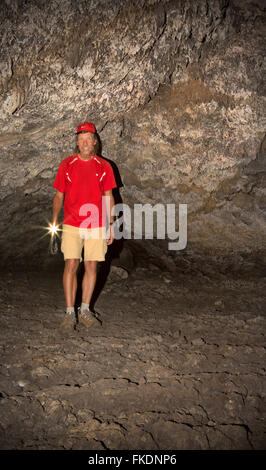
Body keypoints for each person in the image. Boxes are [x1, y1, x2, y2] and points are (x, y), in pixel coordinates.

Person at [51, 122, 117, 330]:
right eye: (81, 139)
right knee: (71, 264)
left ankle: (86, 310)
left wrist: (111, 224)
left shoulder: (104, 166)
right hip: (71, 223)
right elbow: (59, 195)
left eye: (89, 138)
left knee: (91, 265)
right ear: (77, 143)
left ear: (95, 141)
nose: (85, 142)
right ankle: (70, 313)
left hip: (96, 223)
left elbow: (109, 196)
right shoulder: (66, 165)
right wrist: (54, 221)